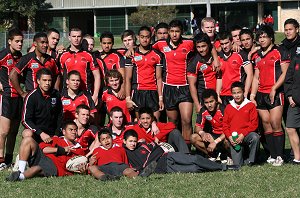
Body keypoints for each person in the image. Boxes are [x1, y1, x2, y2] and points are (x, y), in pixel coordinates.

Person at [250, 25, 290, 166]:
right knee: (266, 125)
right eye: (259, 37)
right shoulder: (257, 55)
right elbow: (256, 77)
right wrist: (253, 95)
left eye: (264, 36)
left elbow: (285, 73)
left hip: (275, 93)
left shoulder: (280, 52)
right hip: (261, 94)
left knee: (275, 123)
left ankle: (280, 155)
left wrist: (274, 88)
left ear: (271, 37)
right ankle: (272, 155)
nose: (262, 40)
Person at [123, 129, 240, 175]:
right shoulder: (125, 152)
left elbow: (155, 148)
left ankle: (223, 167)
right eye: (130, 142)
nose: (133, 144)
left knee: (194, 159)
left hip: (166, 157)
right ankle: (213, 166)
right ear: (124, 142)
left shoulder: (142, 145)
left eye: (134, 141)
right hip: (163, 169)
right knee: (194, 168)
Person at [6, 121, 87, 182]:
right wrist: (62, 150)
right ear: (64, 132)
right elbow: (43, 149)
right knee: (28, 140)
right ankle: (21, 169)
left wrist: (82, 170)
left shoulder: (79, 149)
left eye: (75, 130)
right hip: (43, 157)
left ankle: (19, 177)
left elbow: (79, 166)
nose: (74, 132)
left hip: (54, 167)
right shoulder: (56, 139)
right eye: (71, 129)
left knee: (37, 168)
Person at [125, 26, 164, 120]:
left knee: (155, 122)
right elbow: (128, 78)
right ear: (138, 37)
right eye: (142, 37)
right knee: (140, 123)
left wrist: (160, 98)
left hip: (153, 92)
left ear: (151, 38)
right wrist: (128, 98)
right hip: (138, 92)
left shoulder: (157, 55)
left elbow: (159, 78)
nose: (145, 40)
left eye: (147, 37)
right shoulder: (131, 54)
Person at [58, 27, 100, 105]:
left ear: (81, 37)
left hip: (86, 93)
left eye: (78, 36)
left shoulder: (88, 55)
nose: (76, 39)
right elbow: (60, 77)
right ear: (69, 37)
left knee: (87, 116)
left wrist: (95, 95)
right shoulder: (63, 55)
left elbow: (97, 76)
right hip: (67, 95)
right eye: (74, 36)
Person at [0, 28, 23, 170]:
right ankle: (0, 159)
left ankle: (8, 159)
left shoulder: (21, 57)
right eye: (17, 41)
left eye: (21, 41)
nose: (20, 43)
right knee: (4, 131)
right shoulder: (3, 55)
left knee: (14, 131)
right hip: (6, 97)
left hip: (18, 97)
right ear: (10, 41)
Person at [9, 32, 60, 97]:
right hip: (32, 96)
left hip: (47, 97)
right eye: (42, 42)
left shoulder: (51, 60)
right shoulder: (27, 58)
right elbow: (12, 75)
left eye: (46, 42)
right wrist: (22, 93)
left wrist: (56, 89)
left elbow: (57, 75)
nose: (45, 45)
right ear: (35, 44)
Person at [21, 68, 63, 143]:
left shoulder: (56, 95)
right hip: (36, 132)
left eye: (49, 80)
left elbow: (59, 116)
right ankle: (26, 152)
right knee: (27, 134)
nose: (47, 83)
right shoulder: (31, 96)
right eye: (44, 80)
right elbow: (25, 120)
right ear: (38, 81)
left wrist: (57, 134)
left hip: (52, 133)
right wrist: (40, 133)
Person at [223, 82, 259, 166]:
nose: (237, 95)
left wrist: (243, 135)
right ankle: (238, 156)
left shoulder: (250, 105)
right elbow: (225, 125)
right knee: (237, 164)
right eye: (234, 93)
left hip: (246, 135)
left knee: (255, 137)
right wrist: (230, 137)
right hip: (234, 138)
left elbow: (254, 124)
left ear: (243, 92)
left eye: (239, 92)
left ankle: (251, 160)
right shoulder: (228, 107)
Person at [190, 89, 228, 160]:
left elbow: (229, 129)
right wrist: (202, 133)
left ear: (216, 101)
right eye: (206, 102)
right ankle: (212, 155)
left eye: (211, 101)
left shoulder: (224, 109)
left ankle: (227, 156)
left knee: (228, 141)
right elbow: (197, 127)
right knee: (193, 137)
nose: (209, 105)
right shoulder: (204, 110)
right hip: (213, 136)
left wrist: (216, 142)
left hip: (225, 136)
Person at [216, 31, 253, 106]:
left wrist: (245, 93)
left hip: (238, 95)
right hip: (224, 95)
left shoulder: (241, 54)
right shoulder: (219, 57)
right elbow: (219, 77)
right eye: (222, 44)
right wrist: (217, 94)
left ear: (232, 42)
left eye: (226, 43)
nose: (224, 46)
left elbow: (250, 74)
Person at [187, 32, 219, 113]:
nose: (201, 50)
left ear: (208, 45)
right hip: (206, 98)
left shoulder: (217, 55)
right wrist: (197, 105)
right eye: (198, 47)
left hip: (220, 95)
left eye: (203, 46)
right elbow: (192, 85)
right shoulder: (194, 63)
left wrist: (215, 58)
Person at [94, 31, 126, 99]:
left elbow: (123, 75)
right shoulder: (95, 56)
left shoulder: (117, 56)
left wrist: (122, 89)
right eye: (104, 43)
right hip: (98, 90)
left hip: (112, 91)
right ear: (100, 43)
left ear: (113, 43)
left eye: (109, 43)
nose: (106, 46)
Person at [284, 53, 300, 164]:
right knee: (290, 127)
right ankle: (297, 158)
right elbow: (288, 80)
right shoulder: (296, 59)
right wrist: (289, 96)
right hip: (294, 102)